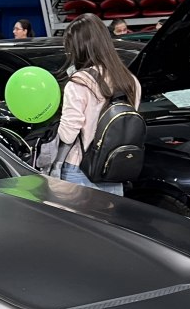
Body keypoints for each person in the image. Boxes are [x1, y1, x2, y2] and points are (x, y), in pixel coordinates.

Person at [47, 13, 141, 195]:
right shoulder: (131, 81)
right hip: (114, 169)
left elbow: (68, 134)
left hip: (79, 169)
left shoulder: (80, 82)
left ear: (80, 47)